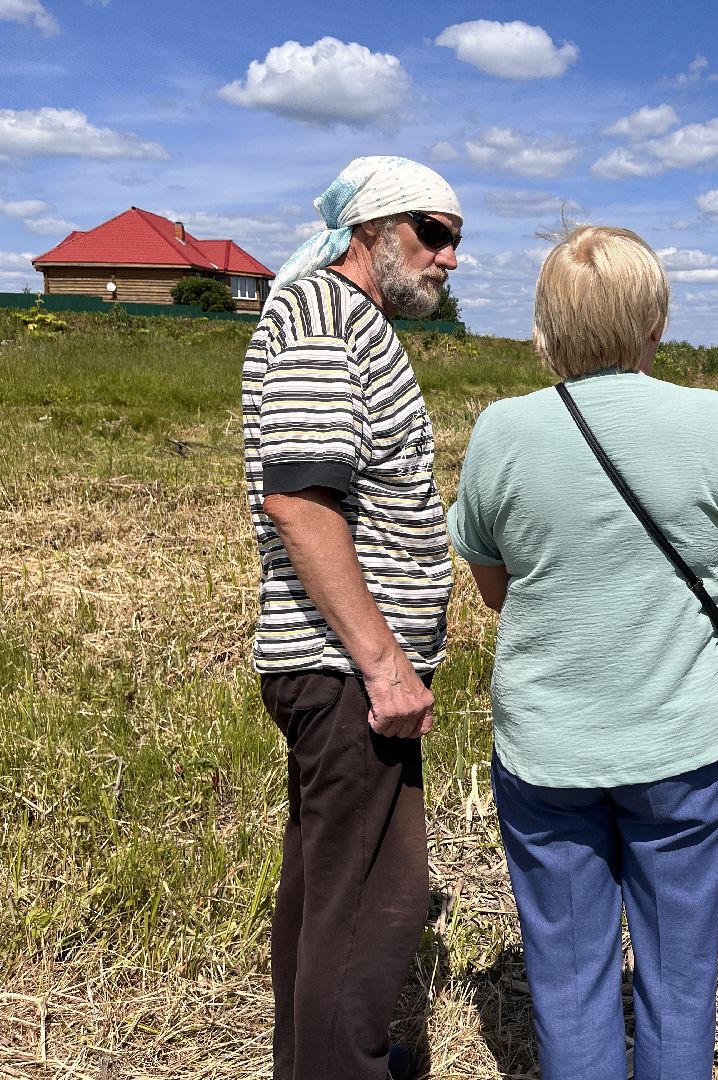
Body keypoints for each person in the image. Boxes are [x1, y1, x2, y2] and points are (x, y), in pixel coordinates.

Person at [447, 224, 718, 1080]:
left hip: (549, 747)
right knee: (679, 973)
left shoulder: (501, 431)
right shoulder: (711, 419)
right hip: (685, 745)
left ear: (544, 329)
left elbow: (496, 590)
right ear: (655, 323)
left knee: (565, 976)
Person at [241, 155, 463, 1080]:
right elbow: (300, 500)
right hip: (343, 675)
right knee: (376, 898)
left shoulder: (339, 321)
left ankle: (320, 1062)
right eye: (435, 233)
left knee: (331, 889)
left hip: (342, 670)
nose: (451, 258)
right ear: (373, 231)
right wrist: (382, 664)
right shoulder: (324, 320)